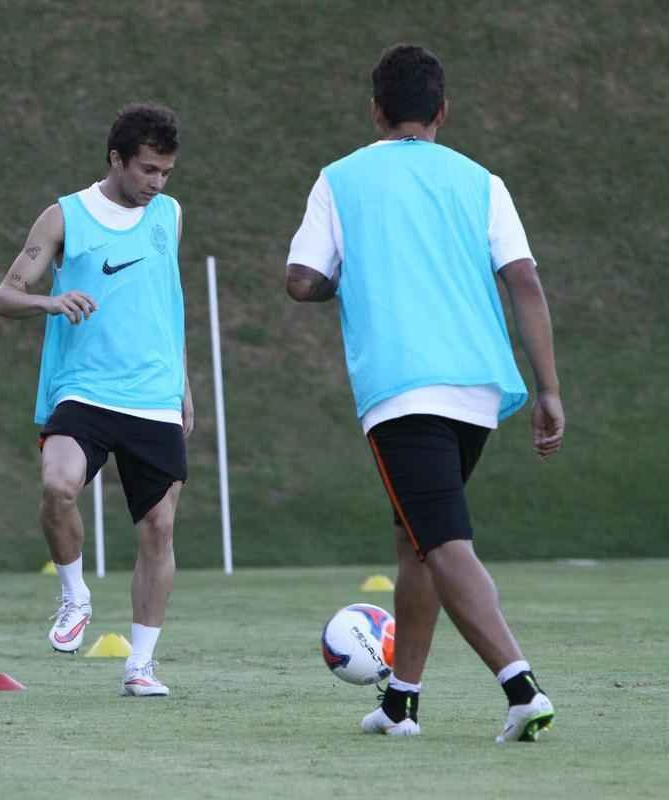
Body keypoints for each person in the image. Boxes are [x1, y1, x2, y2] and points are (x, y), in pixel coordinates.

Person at [285, 44, 565, 741]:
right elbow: (524, 280)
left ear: (376, 110)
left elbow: (299, 278)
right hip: (479, 389)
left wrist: (339, 279)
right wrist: (549, 389)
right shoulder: (481, 181)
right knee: (414, 541)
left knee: (441, 541)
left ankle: (520, 686)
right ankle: (399, 702)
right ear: (441, 110)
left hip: (403, 389)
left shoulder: (340, 179)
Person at [0, 103, 193, 697]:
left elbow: (165, 304)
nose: (157, 183)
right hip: (83, 388)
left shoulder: (170, 215)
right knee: (57, 485)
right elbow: (4, 296)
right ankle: (74, 592)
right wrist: (49, 302)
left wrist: (184, 385)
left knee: (158, 527)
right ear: (116, 159)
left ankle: (140, 665)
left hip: (153, 393)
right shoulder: (65, 217)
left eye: (166, 173)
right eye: (148, 170)